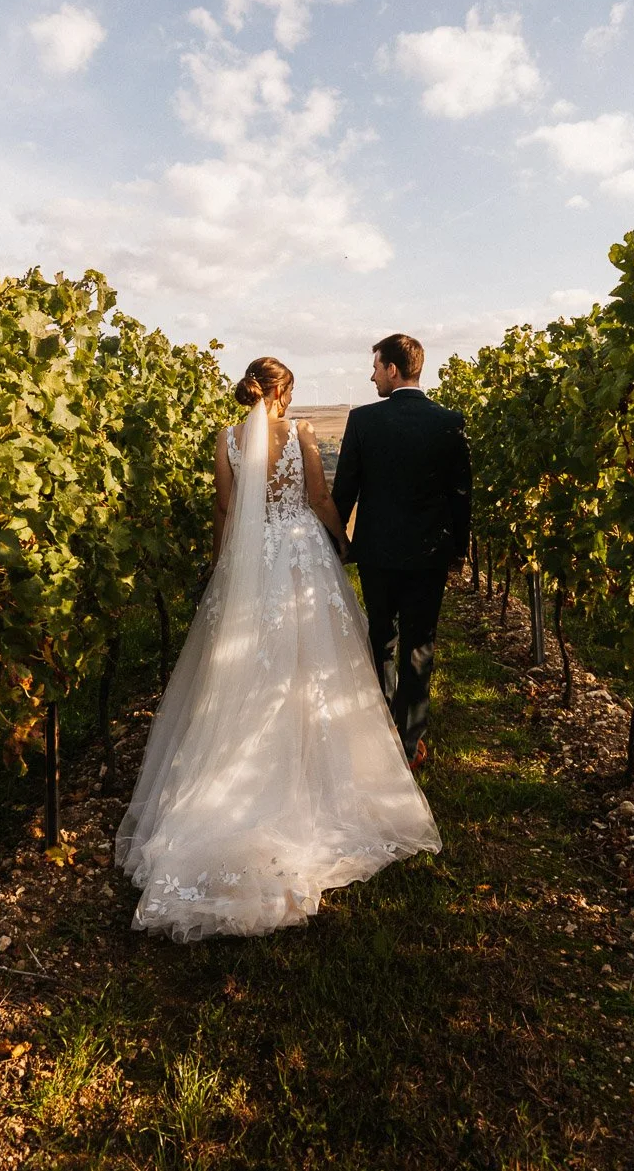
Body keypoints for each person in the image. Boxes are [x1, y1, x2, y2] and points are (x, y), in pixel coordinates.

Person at [116, 357, 442, 942]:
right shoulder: (302, 433)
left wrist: (223, 567)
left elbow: (223, 510)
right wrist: (341, 542)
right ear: (285, 391)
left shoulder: (225, 439)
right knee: (315, 667)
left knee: (241, 670)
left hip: (251, 563)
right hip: (298, 557)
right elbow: (318, 496)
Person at [331, 334, 473, 773]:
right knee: (420, 643)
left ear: (393, 369)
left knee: (381, 637)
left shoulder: (363, 420)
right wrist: (459, 551)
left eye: (375, 366)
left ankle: (384, 725)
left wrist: (337, 541)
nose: (372, 374)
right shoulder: (448, 420)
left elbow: (345, 489)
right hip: (429, 553)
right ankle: (410, 743)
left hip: (376, 552)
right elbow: (461, 494)